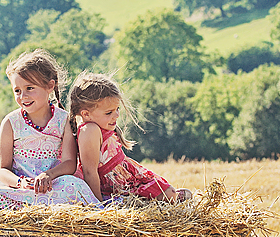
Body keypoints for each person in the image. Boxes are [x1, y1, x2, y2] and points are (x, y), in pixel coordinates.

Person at [0, 50, 100, 210]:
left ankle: (40, 204)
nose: (23, 96)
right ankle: (36, 204)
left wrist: (48, 176)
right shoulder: (10, 122)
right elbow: (2, 169)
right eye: (17, 90)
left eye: (30, 88)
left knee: (73, 185)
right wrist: (20, 182)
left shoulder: (63, 120)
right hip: (20, 188)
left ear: (50, 86)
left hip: (52, 185)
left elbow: (70, 163)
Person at [68, 72, 189, 204]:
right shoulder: (89, 130)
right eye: (109, 112)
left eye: (117, 109)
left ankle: (169, 198)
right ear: (86, 114)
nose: (117, 115)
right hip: (115, 186)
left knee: (169, 194)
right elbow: (89, 172)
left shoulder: (100, 126)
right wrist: (98, 206)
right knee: (169, 196)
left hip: (127, 178)